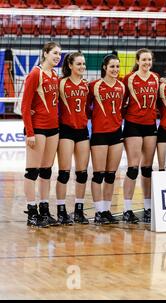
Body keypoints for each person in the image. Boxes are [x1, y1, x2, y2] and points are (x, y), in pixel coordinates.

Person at [22, 42, 62, 227]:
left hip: (53, 129)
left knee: (46, 171)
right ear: (45, 53)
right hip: (37, 129)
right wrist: (30, 133)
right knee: (32, 172)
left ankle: (44, 210)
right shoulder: (35, 74)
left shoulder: (55, 75)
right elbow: (25, 106)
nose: (57, 56)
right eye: (54, 53)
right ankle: (32, 212)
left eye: (59, 54)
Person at [121, 49, 159, 224]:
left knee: (147, 169)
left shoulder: (156, 78)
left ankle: (148, 207)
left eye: (149, 60)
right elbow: (121, 101)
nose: (147, 62)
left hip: (150, 124)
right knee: (133, 168)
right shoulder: (129, 78)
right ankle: (127, 209)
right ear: (137, 60)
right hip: (133, 125)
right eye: (144, 59)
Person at [88, 54, 125, 225]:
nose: (115, 70)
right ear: (105, 67)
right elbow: (83, 105)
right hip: (100, 134)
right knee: (98, 175)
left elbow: (123, 108)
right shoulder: (94, 86)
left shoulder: (122, 87)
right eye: (112, 66)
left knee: (111, 175)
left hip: (116, 133)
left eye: (117, 66)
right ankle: (98, 211)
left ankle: (107, 210)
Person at [56, 51, 90, 225]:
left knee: (82, 174)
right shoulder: (61, 83)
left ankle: (79, 210)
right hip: (66, 130)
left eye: (83, 64)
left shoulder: (86, 85)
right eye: (78, 64)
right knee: (64, 173)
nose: (82, 67)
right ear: (70, 65)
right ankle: (61, 210)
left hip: (82, 130)